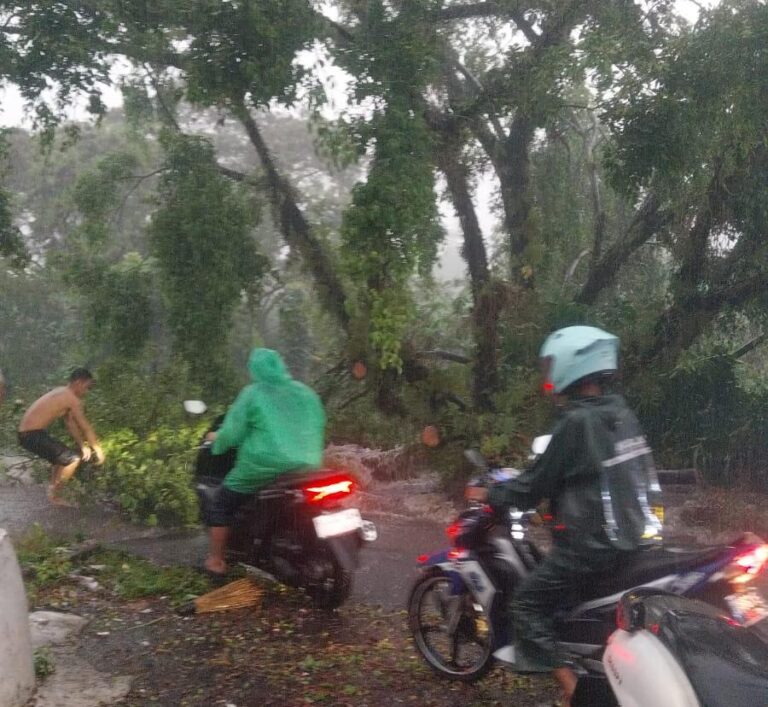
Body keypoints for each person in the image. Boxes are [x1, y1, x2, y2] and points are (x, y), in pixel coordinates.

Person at [467, 326, 662, 707]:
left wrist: (489, 492)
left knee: (525, 605)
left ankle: (573, 692)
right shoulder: (618, 411)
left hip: (589, 548)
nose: (548, 374)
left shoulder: (576, 423)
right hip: (631, 536)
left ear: (570, 366)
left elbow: (531, 487)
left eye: (550, 365)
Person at [204, 348, 326, 577]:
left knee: (220, 503)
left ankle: (216, 561)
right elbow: (318, 422)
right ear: (281, 364)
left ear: (254, 370)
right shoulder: (305, 392)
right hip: (307, 467)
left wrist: (216, 441)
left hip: (263, 467)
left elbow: (232, 432)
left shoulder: (252, 394)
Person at [18, 368, 105, 506]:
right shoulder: (71, 399)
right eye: (87, 387)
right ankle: (55, 495)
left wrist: (83, 445)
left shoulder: (63, 392)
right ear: (78, 382)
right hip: (31, 435)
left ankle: (53, 493)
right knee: (73, 459)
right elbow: (86, 427)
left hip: (29, 434)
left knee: (62, 458)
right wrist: (99, 451)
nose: (87, 391)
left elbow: (70, 424)